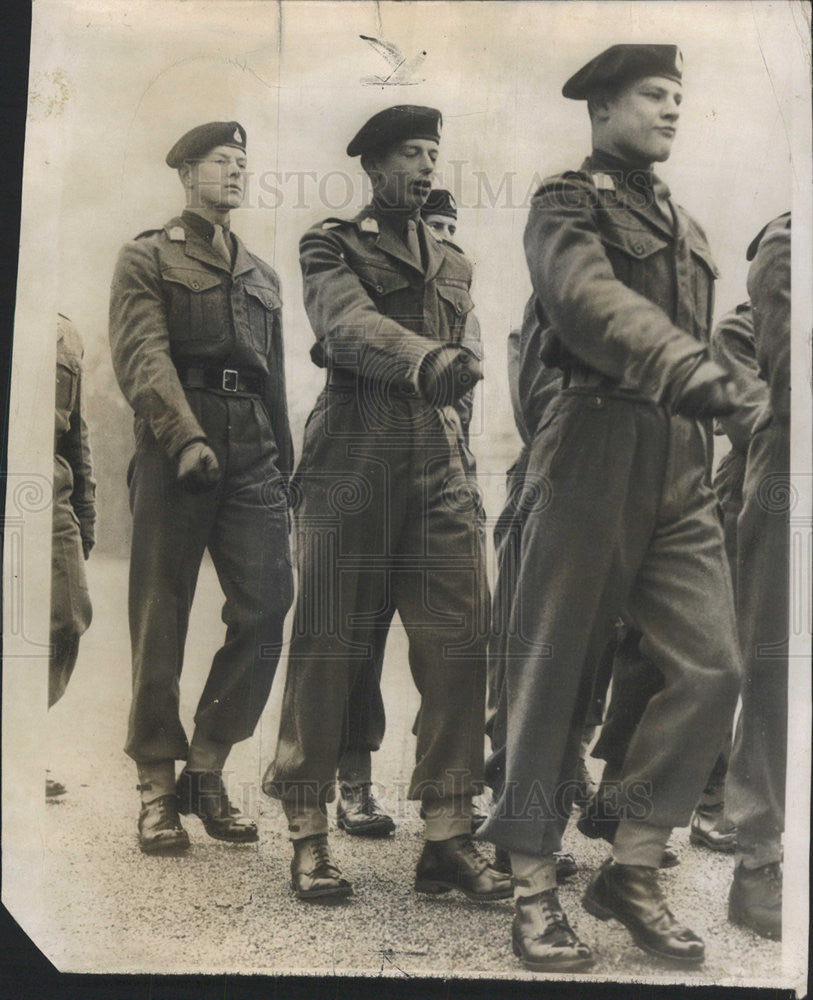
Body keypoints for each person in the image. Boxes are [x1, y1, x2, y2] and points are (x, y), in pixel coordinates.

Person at [477, 45, 743, 971]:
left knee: (712, 666)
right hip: (590, 444)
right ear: (599, 106)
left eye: (679, 95)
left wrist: (729, 394)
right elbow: (586, 305)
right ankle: (532, 889)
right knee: (551, 674)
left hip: (678, 458)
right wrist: (688, 369)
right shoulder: (566, 203)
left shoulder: (689, 227)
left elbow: (714, 346)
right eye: (652, 94)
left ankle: (630, 866)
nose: (672, 108)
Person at [263, 105, 509, 905]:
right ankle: (307, 833)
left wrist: (459, 420)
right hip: (352, 453)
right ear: (372, 167)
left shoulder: (454, 259)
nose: (427, 166)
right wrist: (428, 358)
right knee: (329, 641)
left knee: (460, 637)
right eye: (411, 153)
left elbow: (469, 355)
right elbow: (344, 327)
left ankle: (446, 836)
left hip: (436, 458)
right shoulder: (330, 242)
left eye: (434, 153)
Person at [109, 121, 294, 854]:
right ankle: (157, 785)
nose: (236, 172)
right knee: (162, 612)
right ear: (186, 172)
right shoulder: (146, 255)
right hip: (174, 442)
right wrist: (183, 436)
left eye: (244, 162)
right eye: (222, 161)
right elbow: (142, 353)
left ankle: (208, 765)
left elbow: (272, 379)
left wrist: (287, 462)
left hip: (252, 445)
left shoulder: (261, 275)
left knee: (267, 603)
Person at [334, 184, 480, 840]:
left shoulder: (460, 292)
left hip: (442, 474)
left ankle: (449, 798)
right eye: (433, 224)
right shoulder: (371, 272)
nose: (443, 238)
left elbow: (467, 391)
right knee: (359, 635)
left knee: (453, 635)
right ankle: (353, 782)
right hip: (372, 468)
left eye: (451, 226)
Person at [725, 213, 790, 940]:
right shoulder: (787, 244)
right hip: (791, 475)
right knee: (775, 668)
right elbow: (789, 371)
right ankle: (755, 862)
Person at [49, 313, 96, 798]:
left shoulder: (65, 332)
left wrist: (87, 511)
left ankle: (18, 734)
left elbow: (76, 434)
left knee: (67, 617)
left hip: (46, 486)